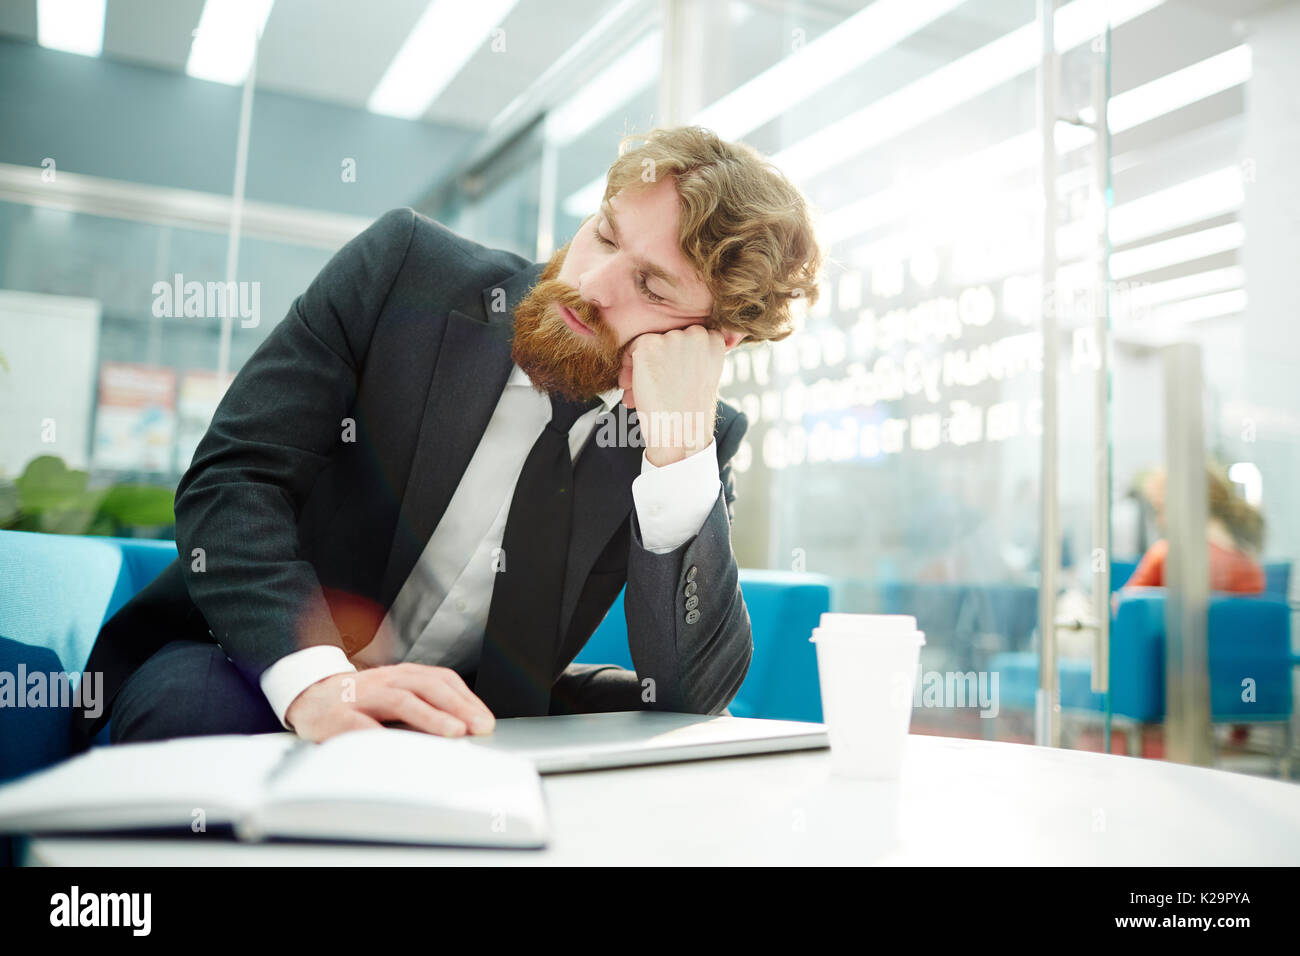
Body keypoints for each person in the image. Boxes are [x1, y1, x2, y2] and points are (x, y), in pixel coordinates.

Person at [70, 126, 823, 748]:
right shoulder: (407, 271)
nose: (591, 284)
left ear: (714, 340)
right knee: (198, 721)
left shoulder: (693, 437)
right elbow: (234, 480)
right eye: (603, 234)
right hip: (254, 660)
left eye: (653, 288)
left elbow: (691, 696)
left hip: (476, 719)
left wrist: (677, 451)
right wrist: (322, 685)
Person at [1123, 463, 1265, 593]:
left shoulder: (1165, 556)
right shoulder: (1250, 567)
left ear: (1186, 506)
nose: (1159, 521)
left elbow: (1124, 609)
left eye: (1160, 509)